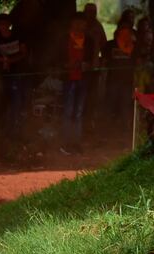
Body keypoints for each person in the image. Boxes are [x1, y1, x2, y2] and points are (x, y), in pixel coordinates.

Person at [0, 14, 28, 144]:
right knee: (6, 105)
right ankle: (7, 133)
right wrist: (3, 60)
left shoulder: (17, 36)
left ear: (9, 24)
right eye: (0, 24)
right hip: (3, 77)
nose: (3, 26)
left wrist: (11, 60)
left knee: (19, 103)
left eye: (5, 23)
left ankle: (18, 132)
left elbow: (24, 53)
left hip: (20, 74)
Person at [60, 13, 94, 155]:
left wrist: (86, 65)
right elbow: (57, 59)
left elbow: (92, 59)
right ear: (72, 23)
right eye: (77, 22)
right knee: (68, 112)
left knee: (79, 112)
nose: (80, 26)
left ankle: (76, 143)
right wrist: (66, 65)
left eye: (82, 23)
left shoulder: (89, 40)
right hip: (68, 79)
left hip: (83, 79)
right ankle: (66, 143)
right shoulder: (64, 39)